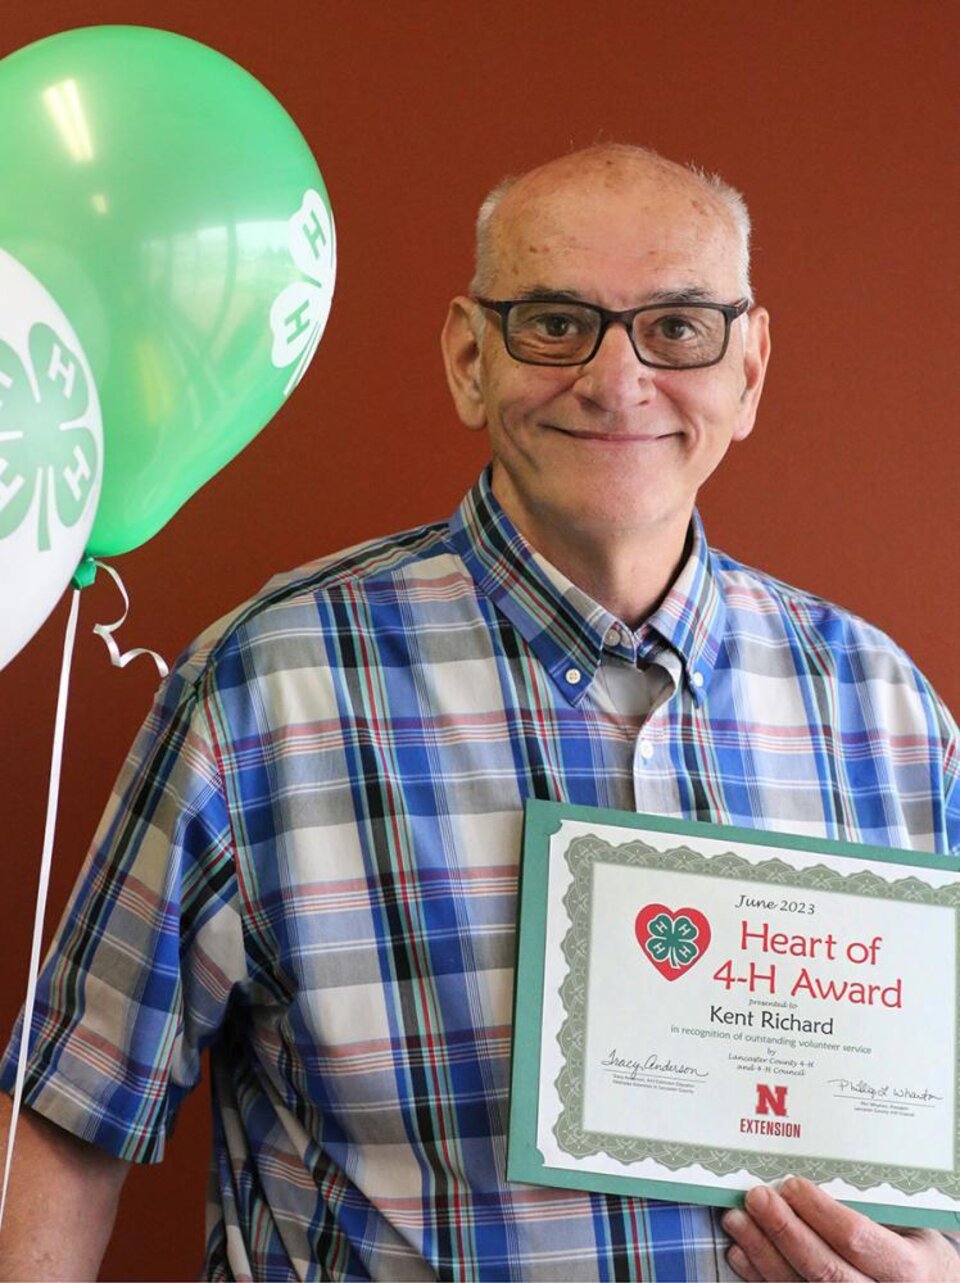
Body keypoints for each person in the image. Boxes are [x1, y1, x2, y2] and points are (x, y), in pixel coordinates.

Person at [1, 143, 958, 1282]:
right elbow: (66, 1115)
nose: (616, 380)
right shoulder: (270, 684)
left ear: (748, 368)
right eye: (555, 322)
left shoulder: (886, 710)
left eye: (680, 328)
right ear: (468, 357)